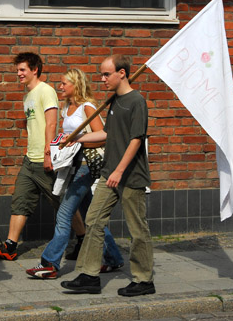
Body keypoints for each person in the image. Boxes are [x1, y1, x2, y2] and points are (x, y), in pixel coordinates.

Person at [61, 55, 154, 297]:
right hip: (108, 173)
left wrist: (120, 170)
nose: (102, 79)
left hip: (130, 176)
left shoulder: (137, 101)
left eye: (106, 74)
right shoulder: (114, 100)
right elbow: (106, 135)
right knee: (93, 221)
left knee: (137, 229)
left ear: (122, 73)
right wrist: (75, 139)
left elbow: (136, 140)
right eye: (102, 74)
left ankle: (144, 280)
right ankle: (89, 276)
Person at [0, 52, 86, 260]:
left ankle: (83, 239)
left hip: (44, 159)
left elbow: (51, 123)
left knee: (62, 202)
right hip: (30, 159)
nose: (18, 73)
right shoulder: (28, 96)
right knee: (20, 199)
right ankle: (10, 247)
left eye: (22, 70)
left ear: (34, 70)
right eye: (18, 70)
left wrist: (48, 154)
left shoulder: (45, 91)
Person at [26, 68, 124, 279]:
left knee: (63, 214)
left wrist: (77, 138)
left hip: (85, 166)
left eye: (64, 83)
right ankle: (113, 258)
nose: (60, 87)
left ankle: (50, 264)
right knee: (93, 217)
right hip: (72, 166)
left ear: (75, 85)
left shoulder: (87, 107)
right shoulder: (66, 107)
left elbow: (103, 136)